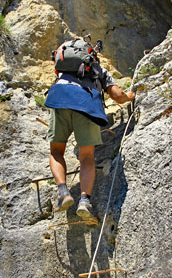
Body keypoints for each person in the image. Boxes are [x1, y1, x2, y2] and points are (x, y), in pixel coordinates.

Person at [45, 38, 135, 224]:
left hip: (60, 97)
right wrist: (130, 96)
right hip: (86, 103)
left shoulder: (62, 71)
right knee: (86, 157)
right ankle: (85, 201)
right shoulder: (98, 70)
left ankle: (63, 192)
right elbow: (117, 96)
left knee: (56, 151)